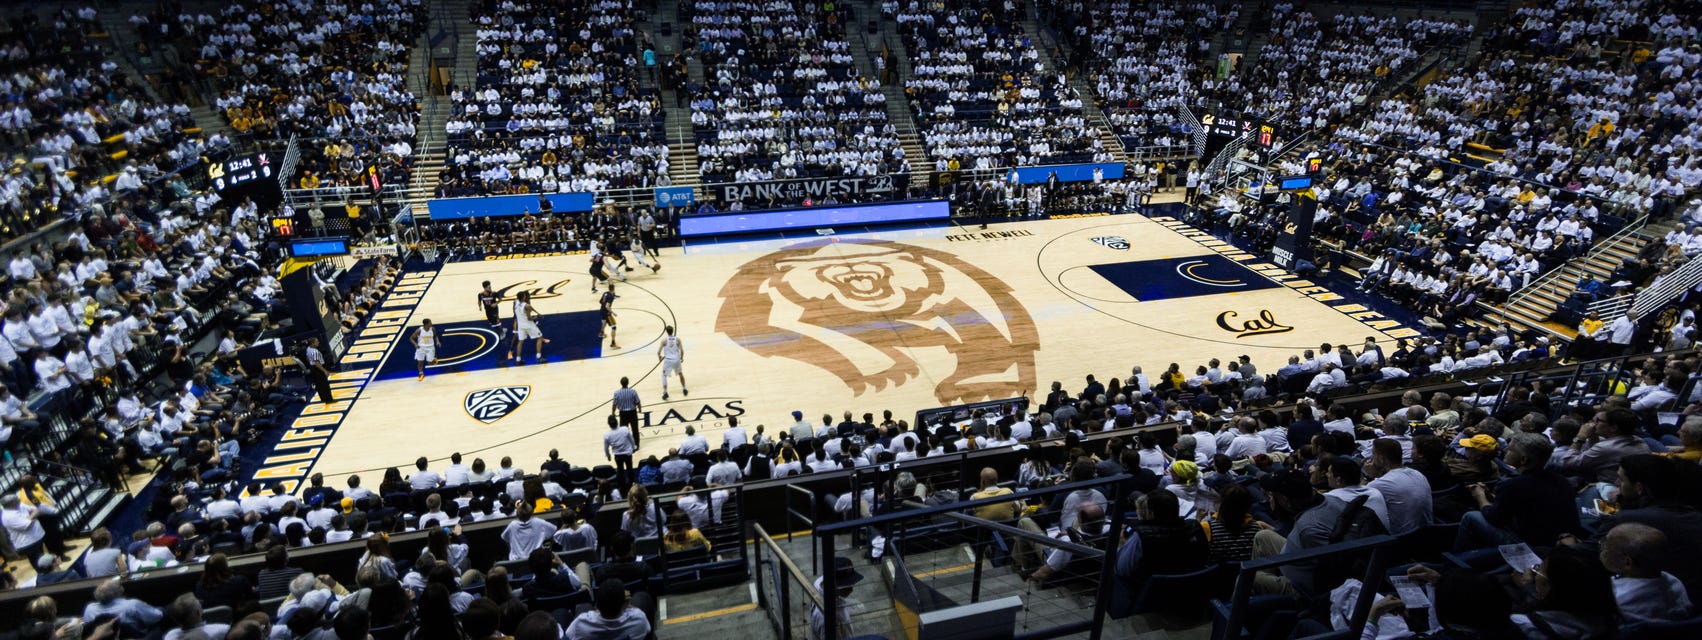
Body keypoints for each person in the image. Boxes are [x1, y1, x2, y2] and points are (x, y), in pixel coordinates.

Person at [1599, 522, 1693, 624]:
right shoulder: (1674, 581)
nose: (1602, 547)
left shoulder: (1618, 601)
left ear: (1627, 562)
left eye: (1607, 546)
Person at [566, 581, 652, 640]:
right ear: (624, 604)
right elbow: (648, 630)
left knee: (585, 606)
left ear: (597, 606)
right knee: (642, 595)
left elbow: (568, 635)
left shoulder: (581, 623)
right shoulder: (638, 619)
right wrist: (629, 605)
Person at [810, 557, 864, 640]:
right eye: (846, 584)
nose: (851, 589)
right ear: (832, 583)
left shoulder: (821, 584)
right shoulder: (827, 619)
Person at [509, 291, 549, 362]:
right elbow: (529, 318)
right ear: (524, 297)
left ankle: (518, 360)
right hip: (529, 325)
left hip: (520, 325)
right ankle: (539, 357)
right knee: (540, 337)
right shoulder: (527, 306)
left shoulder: (516, 302)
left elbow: (517, 310)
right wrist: (536, 317)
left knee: (520, 342)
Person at [603, 416, 637, 480]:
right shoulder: (625, 429)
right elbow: (631, 439)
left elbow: (606, 448)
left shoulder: (607, 435)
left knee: (620, 470)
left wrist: (608, 456)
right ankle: (632, 483)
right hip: (628, 454)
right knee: (630, 469)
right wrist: (634, 447)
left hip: (618, 456)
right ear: (617, 422)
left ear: (608, 424)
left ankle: (622, 486)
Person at [611, 376, 641, 449]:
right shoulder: (633, 391)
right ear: (628, 383)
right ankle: (636, 445)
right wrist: (640, 409)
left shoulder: (617, 393)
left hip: (623, 414)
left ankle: (625, 445)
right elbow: (638, 402)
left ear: (621, 383)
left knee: (623, 431)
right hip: (632, 413)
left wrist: (613, 412)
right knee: (635, 430)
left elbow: (614, 404)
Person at [657, 325, 686, 400]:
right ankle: (684, 388)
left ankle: (665, 392)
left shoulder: (664, 340)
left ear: (666, 332)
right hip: (676, 360)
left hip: (668, 361)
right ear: (672, 331)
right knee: (680, 374)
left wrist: (659, 358)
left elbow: (658, 352)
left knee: (664, 376)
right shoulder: (678, 339)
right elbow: (682, 351)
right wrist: (682, 358)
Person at [599, 284, 619, 349]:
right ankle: (613, 344)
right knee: (614, 327)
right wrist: (613, 313)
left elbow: (600, 301)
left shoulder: (605, 293)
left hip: (601, 310)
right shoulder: (611, 296)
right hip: (607, 313)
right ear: (614, 289)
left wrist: (604, 305)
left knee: (604, 321)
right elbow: (607, 306)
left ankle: (601, 333)